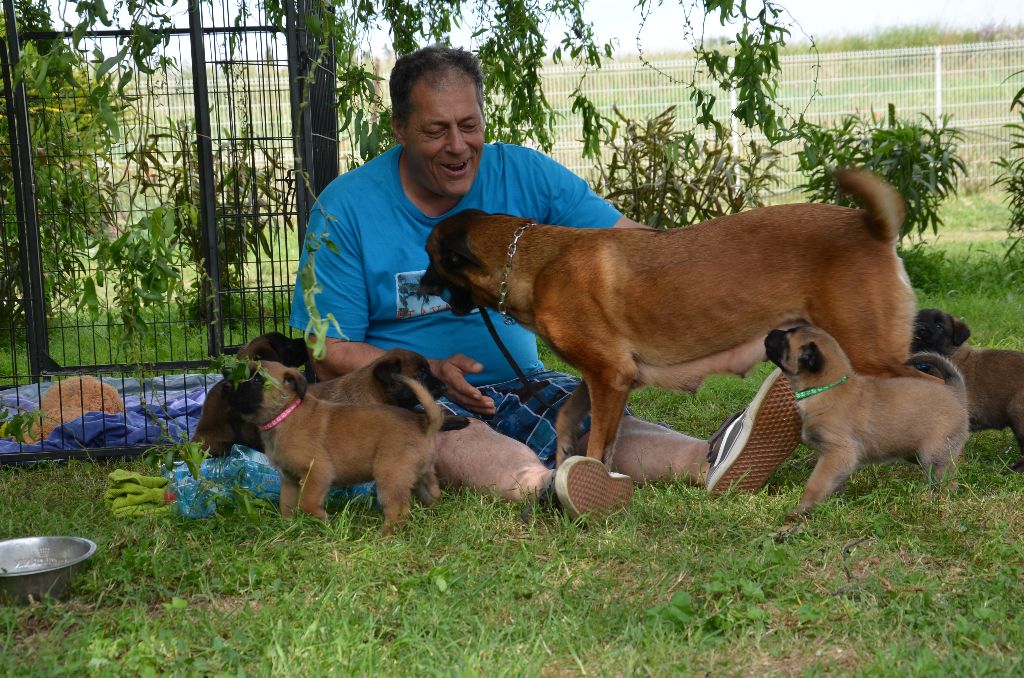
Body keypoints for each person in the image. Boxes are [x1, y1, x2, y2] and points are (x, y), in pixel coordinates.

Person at [289, 45, 800, 518]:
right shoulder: (343, 210)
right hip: (404, 392)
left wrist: (711, 287)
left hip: (521, 379)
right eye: (435, 130)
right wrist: (435, 370)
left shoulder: (525, 173)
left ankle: (710, 460)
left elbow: (637, 246)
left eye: (469, 125)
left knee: (580, 416)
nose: (457, 146)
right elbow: (324, 349)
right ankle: (545, 486)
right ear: (398, 129)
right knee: (435, 426)